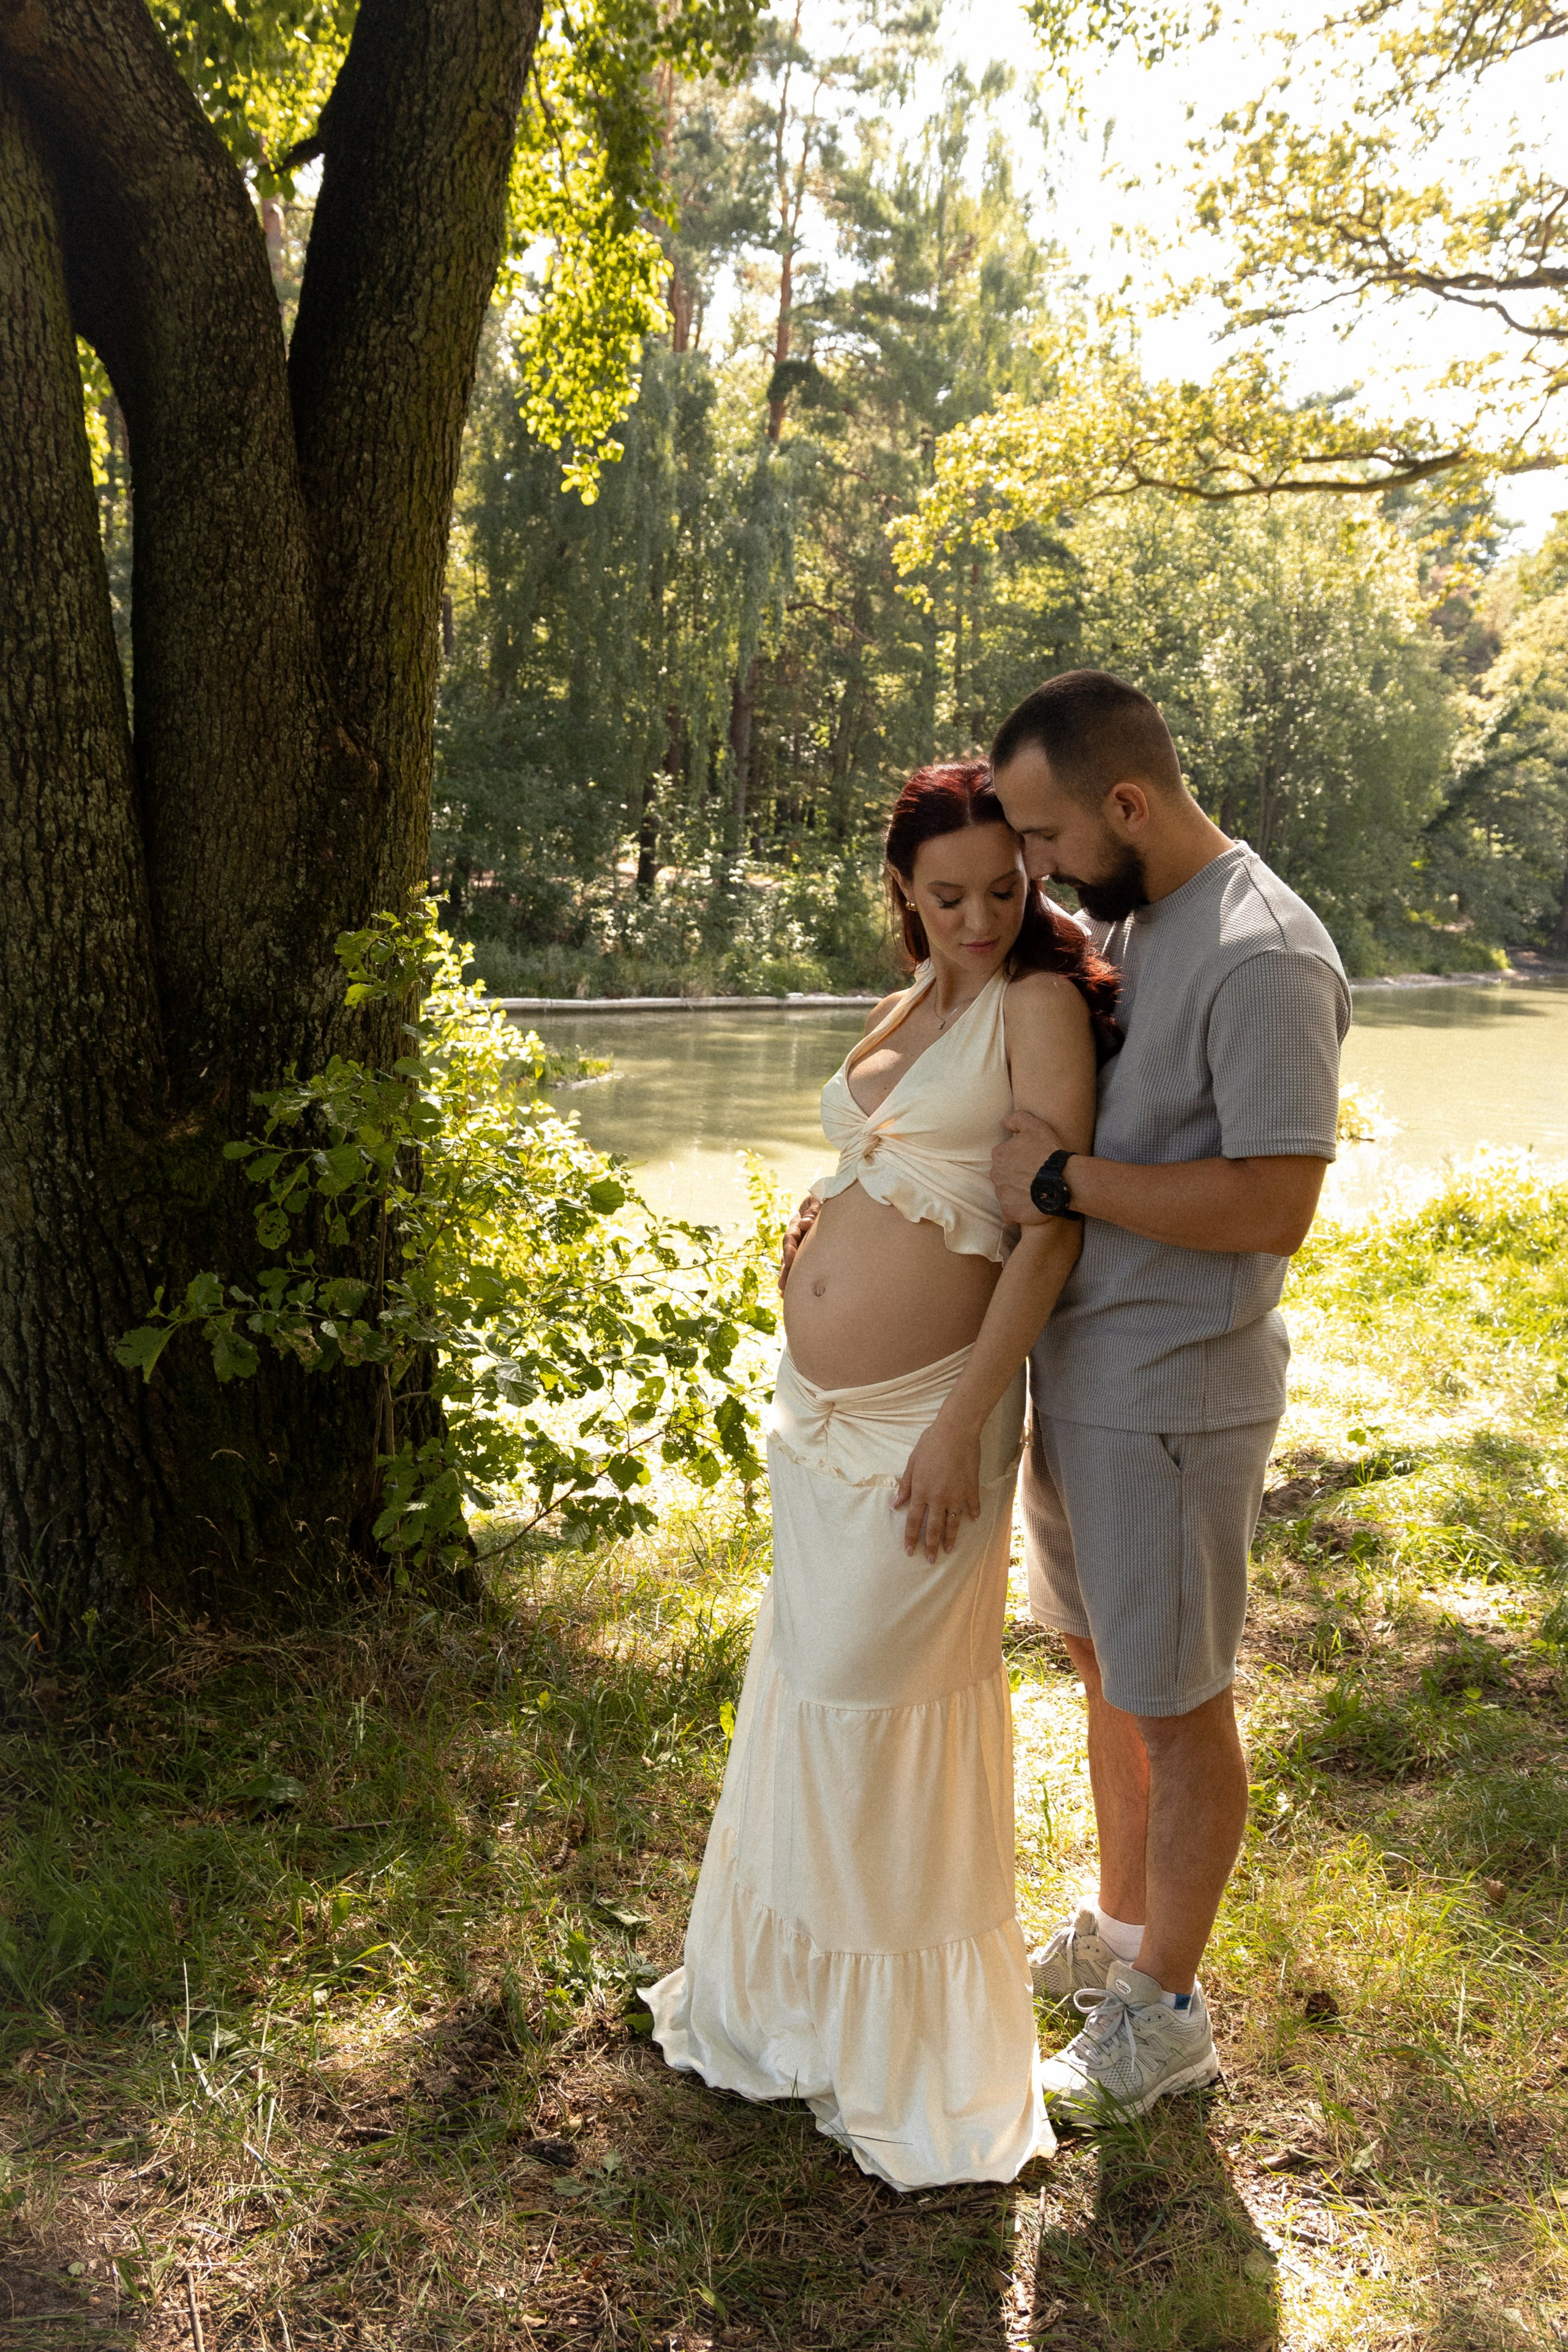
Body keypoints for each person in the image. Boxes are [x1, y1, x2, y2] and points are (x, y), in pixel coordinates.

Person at [644, 761, 1119, 2189]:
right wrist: (815, 1232)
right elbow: (886, 1159)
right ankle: (791, 2018)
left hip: (931, 1413)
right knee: (805, 1693)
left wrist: (959, 1420)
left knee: (876, 1705)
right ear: (903, 897)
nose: (980, 915)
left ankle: (907, 2058)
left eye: (1002, 886)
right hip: (818, 1418)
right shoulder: (915, 999)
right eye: (947, 895)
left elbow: (1046, 1233)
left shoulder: (1039, 1009)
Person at [981, 669, 1351, 2122]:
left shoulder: (1263, 955)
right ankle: (1123, 1931)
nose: (1035, 869)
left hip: (1172, 1397)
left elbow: (1272, 1202)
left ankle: (1167, 2012)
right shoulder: (1135, 919)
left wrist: (1064, 1183)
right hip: (1081, 1381)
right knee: (1103, 1671)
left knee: (1179, 1702)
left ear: (1124, 804)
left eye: (1048, 834)